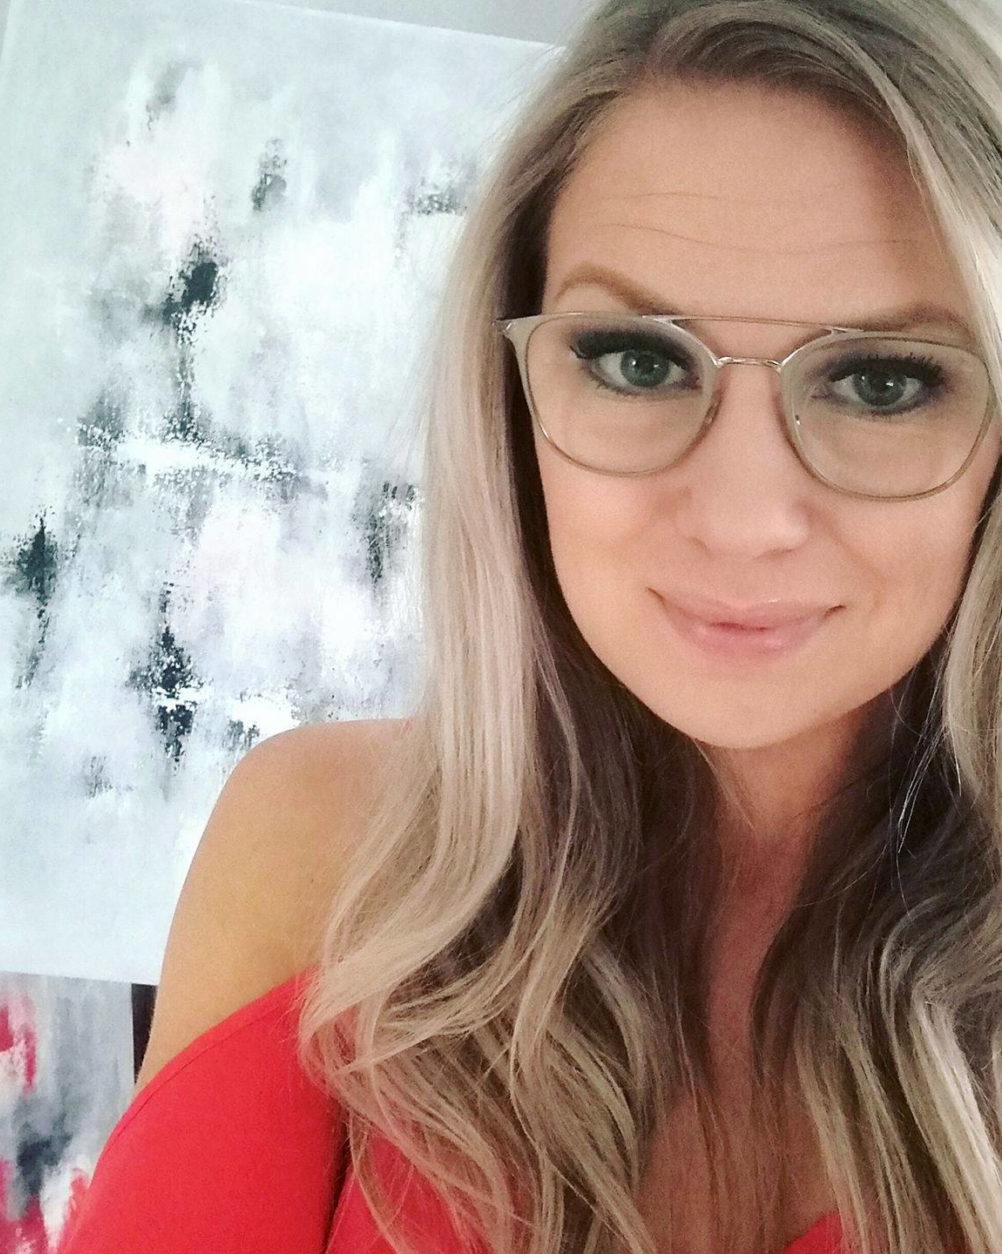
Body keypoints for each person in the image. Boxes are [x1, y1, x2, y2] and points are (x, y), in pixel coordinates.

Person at [58, 0, 1002, 1250]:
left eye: (881, 383)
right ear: (511, 400)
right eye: (635, 361)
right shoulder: (326, 850)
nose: (740, 520)